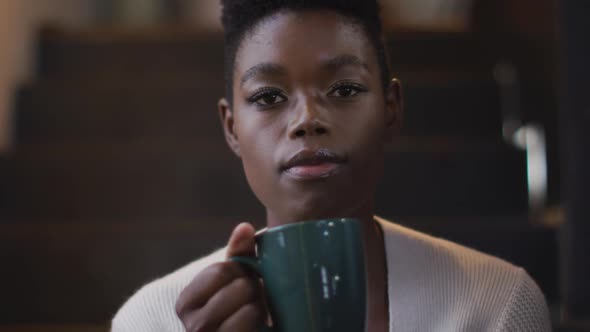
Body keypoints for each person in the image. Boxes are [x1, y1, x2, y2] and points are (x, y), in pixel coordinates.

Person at [111, 0, 552, 331]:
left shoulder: (498, 307)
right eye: (268, 97)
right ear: (231, 128)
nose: (306, 121)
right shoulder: (152, 320)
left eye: (343, 89)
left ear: (391, 109)